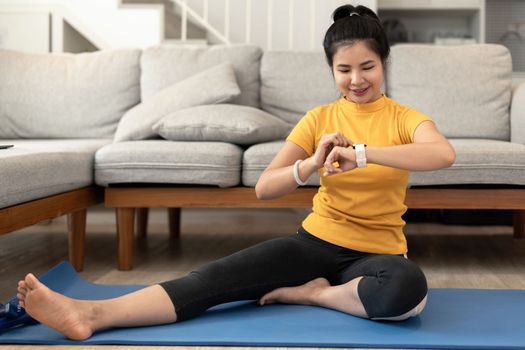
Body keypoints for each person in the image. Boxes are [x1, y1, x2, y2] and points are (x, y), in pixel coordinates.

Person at [15, 4, 455, 341]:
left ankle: (314, 294)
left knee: (407, 291)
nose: (356, 79)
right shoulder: (319, 118)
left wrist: (363, 154)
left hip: (379, 255)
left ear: (384, 64)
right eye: (344, 69)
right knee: (210, 280)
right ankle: (90, 314)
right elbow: (266, 187)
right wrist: (311, 163)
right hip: (315, 243)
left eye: (367, 67)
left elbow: (442, 155)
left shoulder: (403, 118)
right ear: (331, 70)